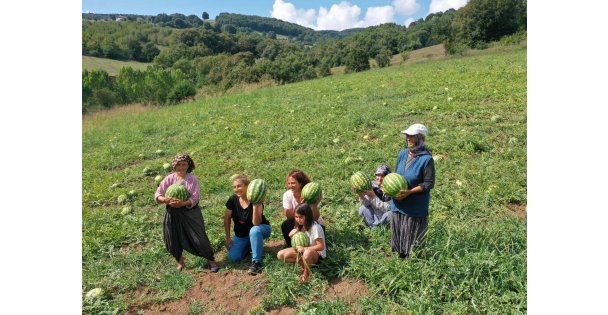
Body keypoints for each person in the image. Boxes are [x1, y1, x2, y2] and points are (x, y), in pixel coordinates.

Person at [154, 154, 220, 272]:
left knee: (198, 238)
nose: (181, 167)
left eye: (184, 164)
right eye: (179, 164)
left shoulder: (192, 179)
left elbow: (195, 197)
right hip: (172, 213)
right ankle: (180, 263)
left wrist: (183, 203)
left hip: (189, 213)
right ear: (175, 165)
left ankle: (212, 261)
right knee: (172, 238)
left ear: (188, 165)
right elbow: (158, 193)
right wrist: (164, 200)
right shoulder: (169, 178)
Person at [389, 123, 435, 258]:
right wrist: (387, 188)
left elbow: (429, 183)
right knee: (399, 239)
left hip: (414, 207)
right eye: (407, 136)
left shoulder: (426, 159)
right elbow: (396, 174)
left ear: (420, 138)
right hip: (397, 204)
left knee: (412, 243)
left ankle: (413, 264)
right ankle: (399, 260)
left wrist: (409, 192)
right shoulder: (402, 154)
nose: (408, 138)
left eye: (411, 136)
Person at [224, 175, 272, 275]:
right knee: (233, 257)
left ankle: (256, 262)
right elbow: (227, 218)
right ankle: (251, 245)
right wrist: (228, 238)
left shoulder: (257, 200)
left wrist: (254, 205)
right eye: (234, 187)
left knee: (254, 230)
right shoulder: (233, 200)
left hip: (261, 229)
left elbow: (256, 223)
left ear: (248, 186)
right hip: (241, 235)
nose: (236, 189)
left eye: (239, 186)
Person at [276, 203, 326, 282]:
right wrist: (294, 233)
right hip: (303, 251)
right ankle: (305, 263)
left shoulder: (315, 227)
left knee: (307, 253)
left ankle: (306, 273)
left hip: (317, 254)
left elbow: (321, 246)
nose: (298, 219)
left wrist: (305, 248)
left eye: (301, 217)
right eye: (296, 217)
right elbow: (292, 237)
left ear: (307, 216)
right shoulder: (301, 226)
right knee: (280, 255)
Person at [280, 169, 324, 247]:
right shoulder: (287, 195)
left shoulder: (310, 195)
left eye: (293, 183)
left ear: (300, 183)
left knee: (313, 228)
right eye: (288, 183)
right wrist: (300, 206)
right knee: (285, 224)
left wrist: (313, 206)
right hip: (298, 221)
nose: (290, 186)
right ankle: (292, 246)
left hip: (313, 222)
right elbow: (289, 216)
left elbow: (315, 217)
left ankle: (312, 246)